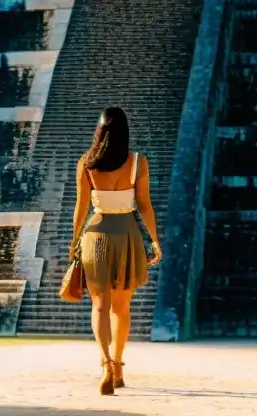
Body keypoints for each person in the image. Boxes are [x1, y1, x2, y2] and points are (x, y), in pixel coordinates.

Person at [68, 106, 162, 395]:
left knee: (99, 306)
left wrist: (73, 242)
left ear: (100, 131)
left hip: (95, 235)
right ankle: (119, 365)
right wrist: (155, 241)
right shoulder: (137, 162)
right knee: (121, 308)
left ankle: (105, 362)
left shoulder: (87, 163)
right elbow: (144, 205)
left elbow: (81, 208)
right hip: (128, 235)